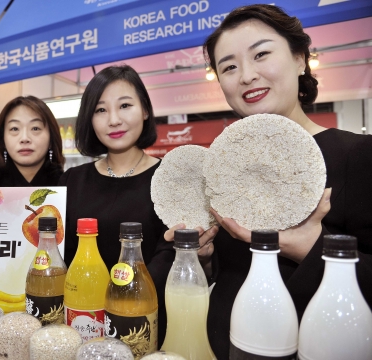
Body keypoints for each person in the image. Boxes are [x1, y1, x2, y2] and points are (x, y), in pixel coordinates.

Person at [199, 4, 372, 358]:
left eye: (261, 54)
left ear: (299, 59)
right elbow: (230, 270)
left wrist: (314, 245)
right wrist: (201, 258)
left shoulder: (358, 155)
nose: (246, 75)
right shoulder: (222, 167)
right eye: (229, 67)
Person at [58, 65, 216, 346]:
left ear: (145, 110)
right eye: (101, 110)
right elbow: (61, 256)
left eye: (125, 105)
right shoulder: (72, 181)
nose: (114, 120)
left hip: (146, 329)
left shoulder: (172, 180)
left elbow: (173, 261)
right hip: (81, 326)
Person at [0, 96, 64, 187]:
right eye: (14, 129)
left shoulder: (69, 185)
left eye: (35, 128)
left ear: (51, 139)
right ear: (2, 140)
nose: (25, 138)